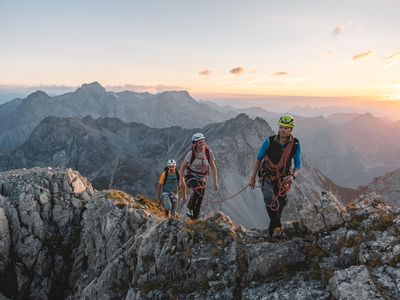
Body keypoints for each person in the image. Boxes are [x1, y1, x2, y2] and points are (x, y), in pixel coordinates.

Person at [249, 114, 301, 240]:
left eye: (286, 128)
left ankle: (273, 231)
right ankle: (276, 227)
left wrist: (292, 177)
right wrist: (253, 177)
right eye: (281, 127)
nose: (283, 130)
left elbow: (298, 166)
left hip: (283, 180)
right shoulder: (269, 141)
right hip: (268, 177)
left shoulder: (295, 144)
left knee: (281, 204)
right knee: (268, 198)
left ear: (291, 130)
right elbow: (258, 159)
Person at [179, 133, 219, 220]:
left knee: (200, 199)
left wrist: (216, 181)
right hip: (190, 175)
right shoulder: (191, 154)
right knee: (198, 189)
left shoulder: (209, 153)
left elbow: (213, 167)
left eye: (203, 141)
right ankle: (190, 208)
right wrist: (181, 181)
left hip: (202, 178)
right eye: (200, 142)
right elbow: (182, 168)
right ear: (195, 144)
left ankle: (194, 219)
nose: (202, 144)